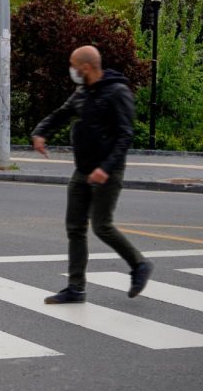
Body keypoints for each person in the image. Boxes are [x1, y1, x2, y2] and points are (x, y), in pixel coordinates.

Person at [31, 45, 152, 304]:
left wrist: (105, 168)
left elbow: (125, 135)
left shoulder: (117, 92)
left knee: (101, 226)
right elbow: (61, 114)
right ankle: (75, 288)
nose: (71, 70)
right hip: (83, 170)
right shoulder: (82, 92)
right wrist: (41, 132)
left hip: (107, 171)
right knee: (75, 228)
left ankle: (139, 264)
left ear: (86, 67)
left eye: (73, 65)